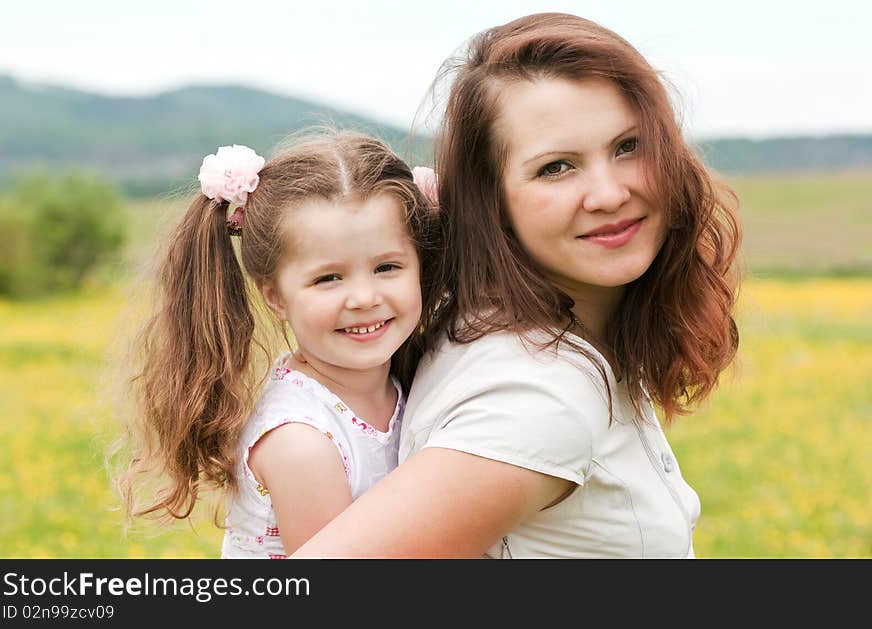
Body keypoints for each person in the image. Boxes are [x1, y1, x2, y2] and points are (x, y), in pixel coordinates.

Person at [290, 13, 741, 558]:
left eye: (629, 146)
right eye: (556, 167)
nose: (608, 193)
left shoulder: (550, 333)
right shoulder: (536, 394)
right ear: (491, 201)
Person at [114, 130, 438, 558]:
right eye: (328, 278)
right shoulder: (301, 442)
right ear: (275, 295)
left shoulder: (409, 378)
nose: (363, 298)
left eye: (387, 267)